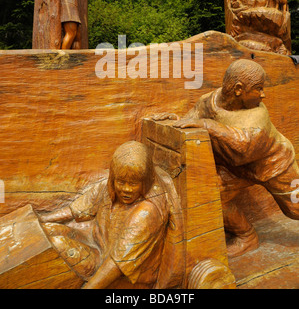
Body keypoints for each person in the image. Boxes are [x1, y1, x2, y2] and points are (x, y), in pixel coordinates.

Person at [152, 59, 299, 257]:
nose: (263, 95)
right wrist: (175, 120)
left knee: (295, 208)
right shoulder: (208, 102)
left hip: (274, 164)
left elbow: (244, 148)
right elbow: (193, 120)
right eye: (258, 89)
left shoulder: (257, 115)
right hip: (236, 169)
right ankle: (246, 236)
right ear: (239, 89)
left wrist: (208, 125)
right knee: (215, 195)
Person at [39, 141, 184, 289]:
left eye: (133, 184)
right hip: (99, 246)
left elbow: (116, 264)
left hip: (118, 275)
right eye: (121, 182)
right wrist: (41, 219)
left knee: (59, 245)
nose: (126, 189)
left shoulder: (146, 213)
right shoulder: (109, 188)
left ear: (145, 182)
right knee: (49, 230)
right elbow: (78, 208)